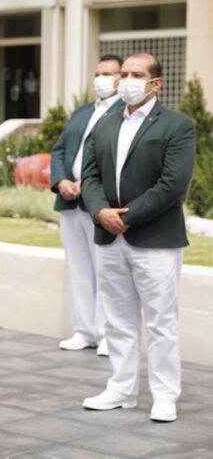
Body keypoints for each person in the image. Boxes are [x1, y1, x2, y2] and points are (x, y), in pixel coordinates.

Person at [80, 53, 196, 423]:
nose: (126, 80)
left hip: (154, 239)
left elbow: (172, 184)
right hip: (109, 237)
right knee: (117, 319)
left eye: (136, 74)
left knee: (161, 322)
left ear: (156, 83)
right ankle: (122, 388)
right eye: (124, 74)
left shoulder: (177, 126)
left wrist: (126, 217)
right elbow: (90, 174)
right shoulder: (105, 122)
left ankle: (164, 395)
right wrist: (100, 211)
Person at [50, 54, 124, 356]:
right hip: (69, 202)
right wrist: (62, 180)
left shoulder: (124, 113)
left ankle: (108, 334)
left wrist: (88, 184)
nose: (101, 79)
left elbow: (117, 159)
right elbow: (59, 149)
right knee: (78, 268)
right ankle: (85, 330)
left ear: (122, 77)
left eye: (108, 73)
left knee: (104, 270)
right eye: (98, 73)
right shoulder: (82, 112)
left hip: (98, 202)